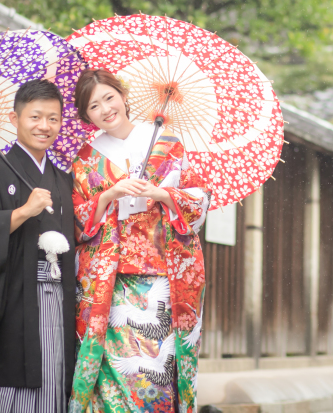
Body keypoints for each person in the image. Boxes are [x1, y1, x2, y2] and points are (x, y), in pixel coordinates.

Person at [69, 69, 209, 412]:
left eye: (109, 97)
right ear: (87, 117)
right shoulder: (86, 159)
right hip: (110, 285)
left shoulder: (166, 143)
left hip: (162, 282)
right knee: (112, 370)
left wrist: (161, 193)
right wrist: (107, 196)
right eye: (93, 106)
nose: (104, 109)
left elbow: (199, 202)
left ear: (123, 95)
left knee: (156, 370)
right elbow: (76, 218)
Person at [0, 79, 76, 412]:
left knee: (55, 378)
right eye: (35, 117)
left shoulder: (64, 180)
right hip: (11, 299)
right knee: (12, 384)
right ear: (14, 118)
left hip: (60, 296)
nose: (44, 126)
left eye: (53, 118)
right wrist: (23, 212)